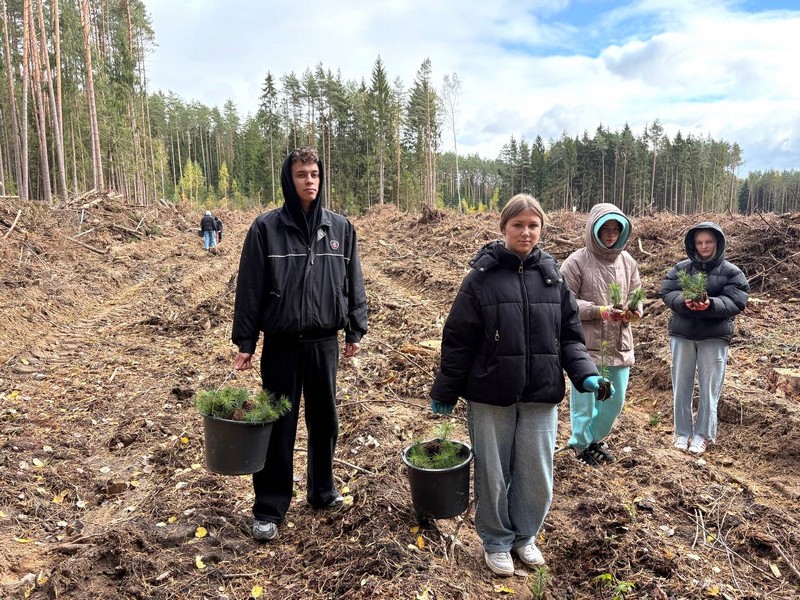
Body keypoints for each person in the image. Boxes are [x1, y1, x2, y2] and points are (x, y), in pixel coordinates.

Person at [430, 194, 611, 577]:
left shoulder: (552, 277)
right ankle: (496, 540)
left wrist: (585, 373)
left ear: (541, 229)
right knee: (493, 472)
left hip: (541, 393)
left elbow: (569, 337)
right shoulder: (480, 278)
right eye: (518, 225)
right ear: (503, 229)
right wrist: (445, 391)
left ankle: (524, 536)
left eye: (533, 225)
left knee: (537, 474)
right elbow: (459, 339)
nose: (526, 232)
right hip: (489, 393)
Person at [231, 147, 367, 543]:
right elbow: (250, 289)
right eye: (301, 175)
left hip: (324, 342)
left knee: (325, 421)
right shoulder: (265, 229)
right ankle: (270, 508)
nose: (310, 180)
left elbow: (352, 281)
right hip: (282, 345)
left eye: (314, 174)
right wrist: (246, 340)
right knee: (279, 425)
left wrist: (355, 328)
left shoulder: (341, 228)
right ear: (288, 181)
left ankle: (323, 493)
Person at [560, 203, 643, 468]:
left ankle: (594, 438)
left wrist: (634, 311)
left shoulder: (627, 261)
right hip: (586, 347)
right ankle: (580, 444)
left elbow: (636, 294)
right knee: (586, 401)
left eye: (616, 229)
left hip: (617, 345)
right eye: (604, 229)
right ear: (593, 230)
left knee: (611, 401)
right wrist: (599, 311)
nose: (610, 235)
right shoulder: (577, 261)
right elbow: (564, 302)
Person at [660, 222, 749, 455]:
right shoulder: (682, 268)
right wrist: (684, 302)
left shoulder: (732, 272)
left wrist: (711, 304)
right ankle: (682, 432)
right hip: (683, 335)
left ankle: (702, 435)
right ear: (693, 245)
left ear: (718, 243)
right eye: (699, 242)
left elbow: (737, 300)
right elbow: (667, 292)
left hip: (714, 336)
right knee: (681, 385)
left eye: (708, 242)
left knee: (710, 387)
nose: (704, 246)